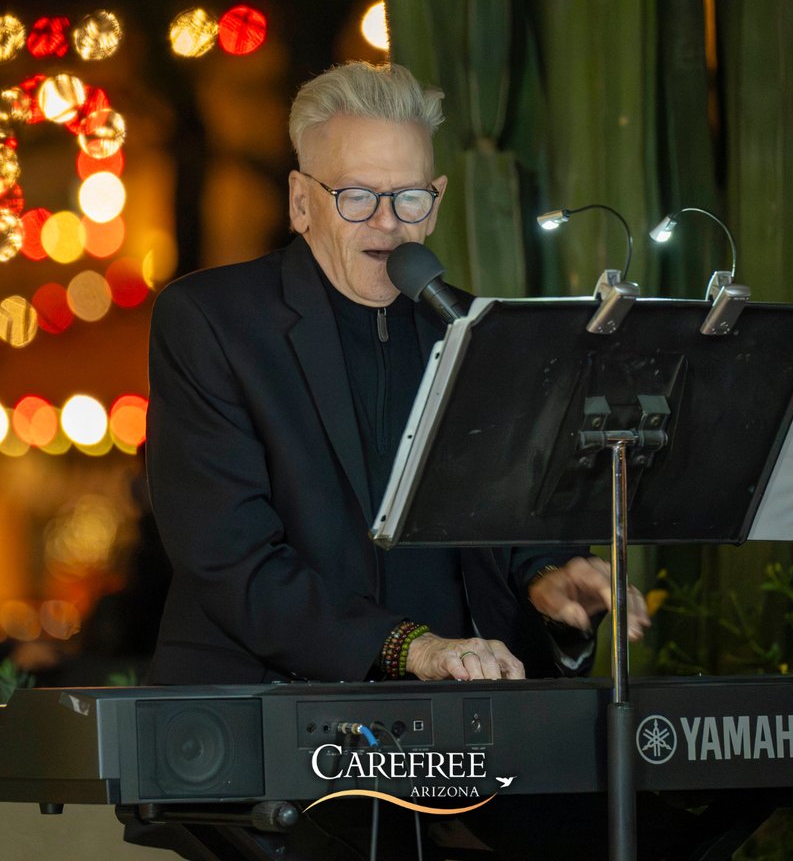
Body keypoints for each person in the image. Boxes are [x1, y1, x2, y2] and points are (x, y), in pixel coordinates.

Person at [145, 62, 694, 860]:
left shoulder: (471, 329)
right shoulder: (214, 320)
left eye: (407, 198)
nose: (388, 224)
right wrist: (411, 648)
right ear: (303, 203)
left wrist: (549, 581)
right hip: (265, 731)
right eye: (355, 196)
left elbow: (509, 518)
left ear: (434, 201)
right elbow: (227, 561)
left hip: (459, 738)